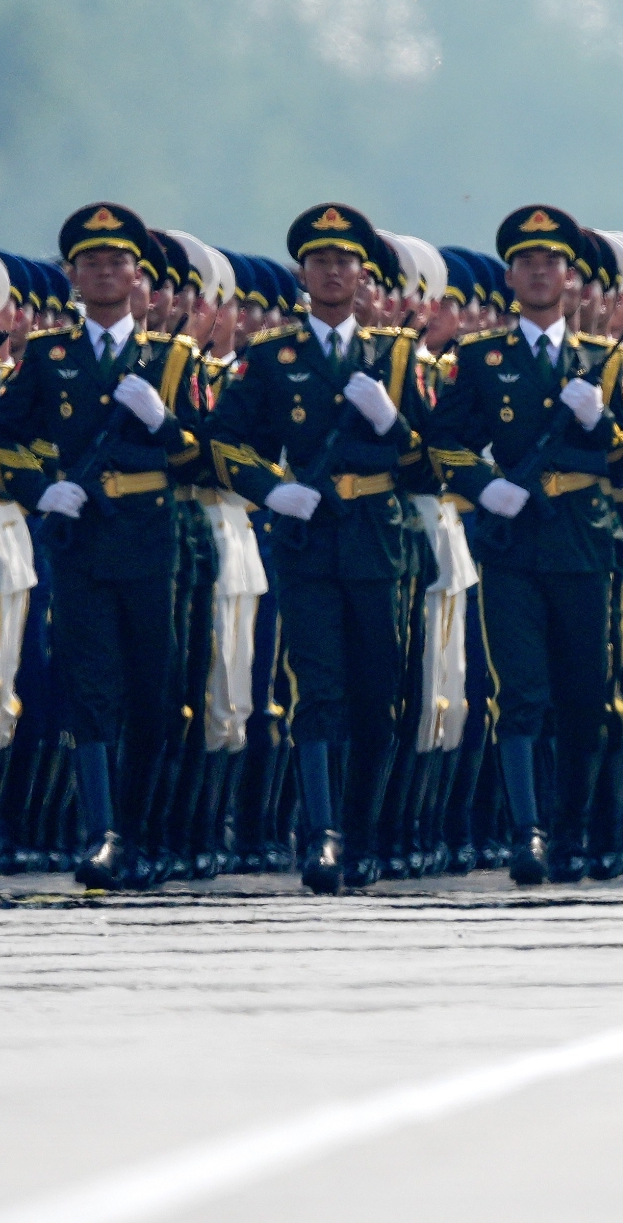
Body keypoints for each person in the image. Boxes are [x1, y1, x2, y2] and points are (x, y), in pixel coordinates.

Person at [0, 202, 213, 889]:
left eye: (117, 262)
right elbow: (1, 438)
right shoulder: (50, 356)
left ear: (139, 277)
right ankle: (102, 833)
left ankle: (140, 829)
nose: (105, 273)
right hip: (81, 539)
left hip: (150, 541)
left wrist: (164, 423)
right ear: (74, 276)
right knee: (90, 687)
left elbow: (205, 456)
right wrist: (40, 489)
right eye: (91, 263)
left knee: (153, 690)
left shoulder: (172, 359)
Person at [208, 203, 442, 893]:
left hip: (375, 540)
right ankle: (323, 835)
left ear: (363, 274)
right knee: (315, 687)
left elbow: (432, 463)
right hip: (307, 539)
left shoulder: (397, 357)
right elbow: (226, 441)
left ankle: (362, 831)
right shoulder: (269, 357)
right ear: (302, 273)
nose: (332, 272)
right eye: (319, 261)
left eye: (344, 261)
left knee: (377, 691)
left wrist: (394, 424)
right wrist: (271, 489)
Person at [429, 205, 623, 884]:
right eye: (526, 262)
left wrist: (602, 422)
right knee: (521, 691)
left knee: (584, 695)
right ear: (510, 276)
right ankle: (527, 832)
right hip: (513, 541)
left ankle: (573, 829)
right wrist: (483, 484)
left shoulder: (606, 362)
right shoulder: (480, 359)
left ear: (570, 277)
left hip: (584, 542)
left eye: (550, 261)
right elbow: (444, 442)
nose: (538, 272)